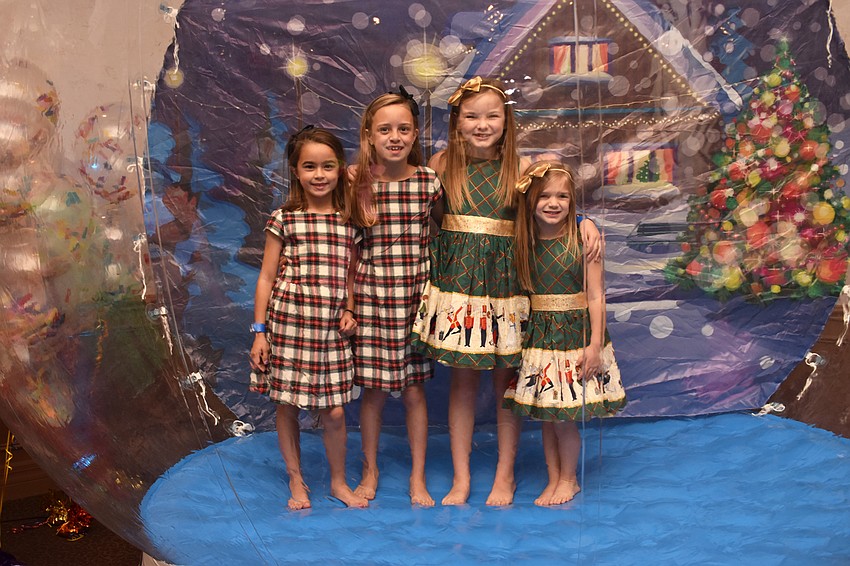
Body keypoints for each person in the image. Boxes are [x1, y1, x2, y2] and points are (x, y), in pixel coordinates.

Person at [411, 76, 602, 506]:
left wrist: (585, 220)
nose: (482, 124)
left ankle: (504, 474)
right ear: (457, 121)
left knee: (507, 386)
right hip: (460, 287)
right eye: (472, 116)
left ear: (507, 120)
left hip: (508, 289)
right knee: (461, 383)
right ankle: (461, 478)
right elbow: (430, 214)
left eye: (492, 116)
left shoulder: (521, 169)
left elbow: (553, 207)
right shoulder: (442, 164)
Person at [249, 126, 368, 511]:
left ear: (340, 169)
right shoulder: (284, 218)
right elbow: (266, 277)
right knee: (288, 404)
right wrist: (260, 332)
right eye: (310, 167)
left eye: (328, 166)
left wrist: (350, 309)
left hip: (330, 330)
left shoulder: (349, 221)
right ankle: (296, 480)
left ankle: (338, 481)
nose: (319, 175)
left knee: (334, 410)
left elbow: (351, 275)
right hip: (289, 325)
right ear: (296, 172)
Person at [503, 161, 627, 506]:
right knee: (548, 414)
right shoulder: (524, 240)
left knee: (566, 416)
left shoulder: (584, 240)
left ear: (573, 203)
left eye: (563, 197)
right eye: (544, 196)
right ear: (531, 200)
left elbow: (596, 294)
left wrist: (595, 344)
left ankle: (569, 479)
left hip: (575, 334)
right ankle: (554, 477)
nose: (553, 203)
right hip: (541, 337)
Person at [348, 89, 443, 506]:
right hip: (371, 301)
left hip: (415, 302)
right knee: (373, 391)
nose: (394, 137)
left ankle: (418, 476)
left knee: (414, 392)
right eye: (384, 129)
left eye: (403, 129)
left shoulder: (427, 182)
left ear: (415, 133)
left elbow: (449, 228)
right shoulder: (356, 182)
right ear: (369, 135)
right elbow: (346, 245)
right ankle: (370, 471)